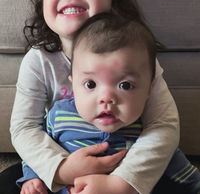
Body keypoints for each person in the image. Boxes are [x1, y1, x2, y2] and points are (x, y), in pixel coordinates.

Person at [3, 0, 180, 193]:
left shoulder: (138, 56)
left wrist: (121, 183)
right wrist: (61, 168)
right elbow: (24, 127)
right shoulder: (39, 59)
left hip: (125, 158)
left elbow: (163, 125)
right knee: (11, 181)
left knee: (171, 178)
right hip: (65, 157)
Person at [18, 12, 200, 194]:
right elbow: (36, 149)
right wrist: (31, 176)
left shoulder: (144, 132)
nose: (106, 98)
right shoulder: (58, 116)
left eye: (125, 85)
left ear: (148, 90)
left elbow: (178, 166)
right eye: (90, 84)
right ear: (73, 84)